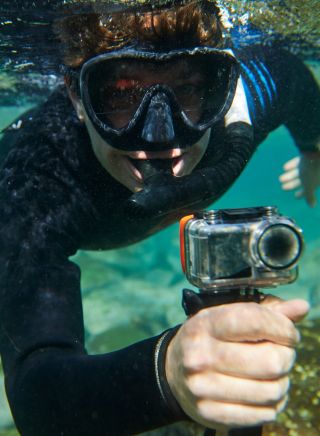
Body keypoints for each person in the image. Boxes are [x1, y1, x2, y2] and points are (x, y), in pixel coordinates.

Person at [0, 1, 318, 435]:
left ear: (219, 88)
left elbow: (295, 79)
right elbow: (38, 394)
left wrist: (313, 149)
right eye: (121, 94)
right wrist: (167, 375)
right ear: (76, 96)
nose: (161, 138)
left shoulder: (246, 103)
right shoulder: (34, 182)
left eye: (188, 89)